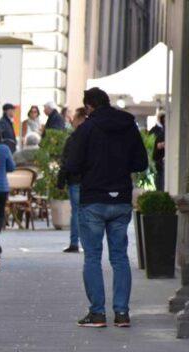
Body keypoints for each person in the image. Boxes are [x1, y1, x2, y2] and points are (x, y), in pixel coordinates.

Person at [65, 87, 148, 328]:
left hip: (94, 198)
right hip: (121, 198)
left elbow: (72, 163)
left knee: (92, 257)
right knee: (120, 258)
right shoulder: (128, 126)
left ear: (89, 106)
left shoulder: (87, 128)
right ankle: (122, 313)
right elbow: (141, 162)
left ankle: (97, 313)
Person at [57, 107, 87, 253]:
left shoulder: (73, 139)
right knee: (87, 211)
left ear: (80, 119)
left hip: (75, 179)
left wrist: (61, 180)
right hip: (90, 180)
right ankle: (87, 243)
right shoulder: (93, 137)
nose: (72, 121)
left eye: (74, 118)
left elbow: (66, 161)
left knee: (76, 211)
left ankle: (74, 242)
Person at [149, 113, 165, 191]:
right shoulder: (156, 131)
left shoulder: (165, 130)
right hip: (158, 161)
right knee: (160, 180)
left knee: (160, 179)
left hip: (160, 161)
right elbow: (157, 146)